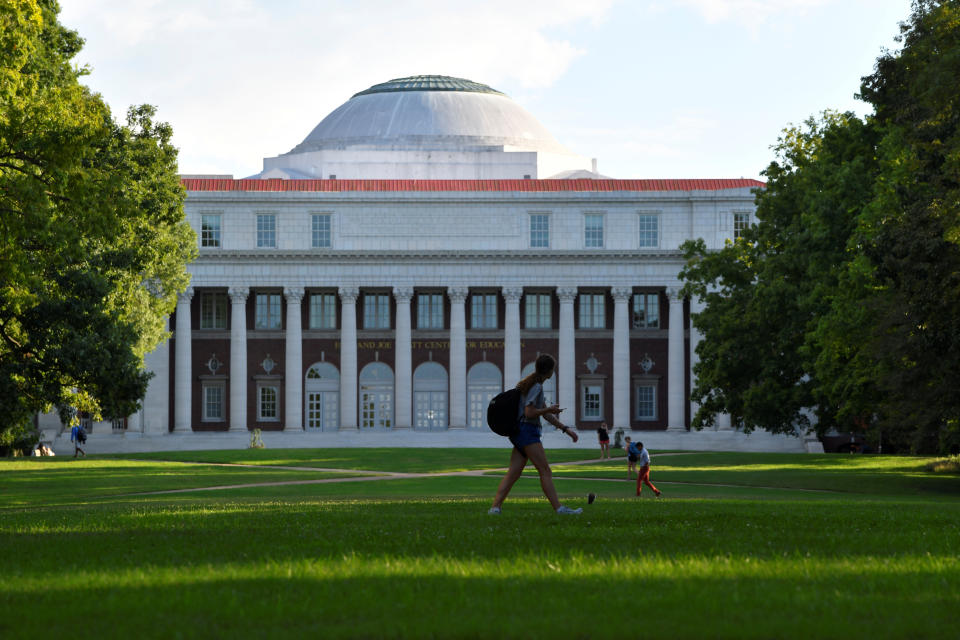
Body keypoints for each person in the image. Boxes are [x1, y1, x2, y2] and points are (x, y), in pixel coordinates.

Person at [489, 353, 582, 515]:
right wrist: (549, 409)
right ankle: (560, 509)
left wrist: (566, 429)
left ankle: (495, 508)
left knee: (514, 473)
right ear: (550, 371)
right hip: (527, 432)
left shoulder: (530, 383)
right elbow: (529, 413)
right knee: (545, 471)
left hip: (519, 433)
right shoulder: (536, 386)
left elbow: (545, 415)